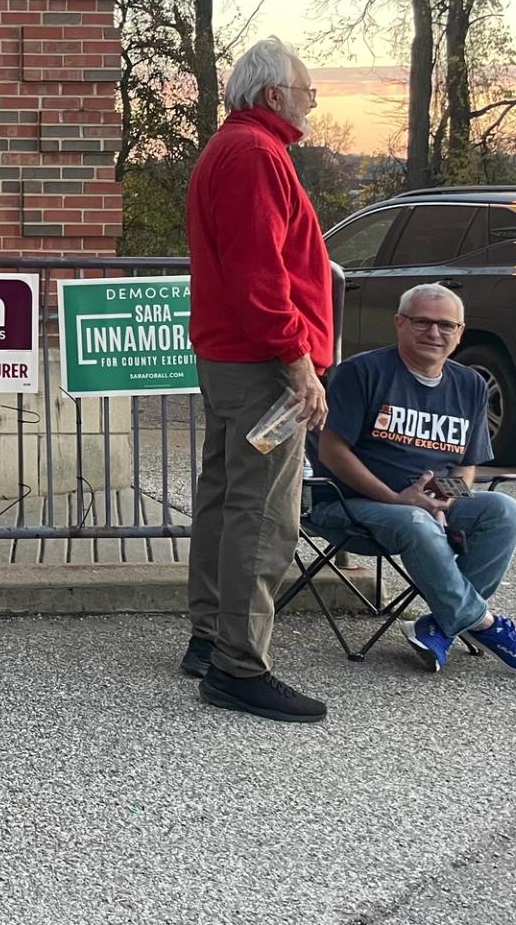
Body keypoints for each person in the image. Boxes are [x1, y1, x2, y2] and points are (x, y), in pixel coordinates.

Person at [181, 37, 335, 723]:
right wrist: (298, 360)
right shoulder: (256, 154)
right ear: (274, 95)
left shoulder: (233, 148)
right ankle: (239, 665)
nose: (311, 103)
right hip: (260, 363)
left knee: (225, 494)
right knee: (265, 512)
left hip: (233, 358)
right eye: (307, 92)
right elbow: (262, 273)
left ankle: (211, 636)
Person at [310, 283, 516, 676]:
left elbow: (465, 466)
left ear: (460, 332)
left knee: (503, 511)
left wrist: (444, 498)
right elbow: (332, 452)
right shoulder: (361, 372)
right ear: (399, 324)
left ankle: (440, 625)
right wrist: (398, 499)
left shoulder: (470, 384)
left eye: (446, 325)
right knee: (415, 520)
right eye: (422, 322)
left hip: (427, 503)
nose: (434, 333)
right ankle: (483, 624)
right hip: (351, 503)